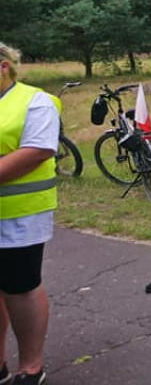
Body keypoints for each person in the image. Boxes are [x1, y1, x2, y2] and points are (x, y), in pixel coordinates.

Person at [0, 42, 58, 385]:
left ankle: (31, 367)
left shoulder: (34, 101)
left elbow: (37, 150)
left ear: (4, 66)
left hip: (19, 215)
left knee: (19, 286)